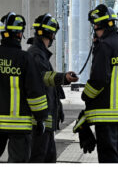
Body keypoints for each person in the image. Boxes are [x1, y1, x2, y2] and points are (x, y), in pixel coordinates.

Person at [0, 12, 48, 163]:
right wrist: (41, 118)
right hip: (19, 125)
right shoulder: (24, 59)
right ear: (20, 34)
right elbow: (35, 93)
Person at [73, 4, 118, 163]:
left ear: (102, 26)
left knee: (108, 156)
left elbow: (99, 79)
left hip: (106, 112)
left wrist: (86, 96)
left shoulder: (104, 46)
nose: (94, 30)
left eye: (95, 27)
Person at [27, 13, 78, 163]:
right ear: (51, 34)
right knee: (39, 160)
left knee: (48, 159)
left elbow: (49, 87)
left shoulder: (39, 54)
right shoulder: (36, 55)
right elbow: (43, 78)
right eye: (54, 34)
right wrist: (64, 78)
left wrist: (58, 107)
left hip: (44, 122)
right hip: (40, 123)